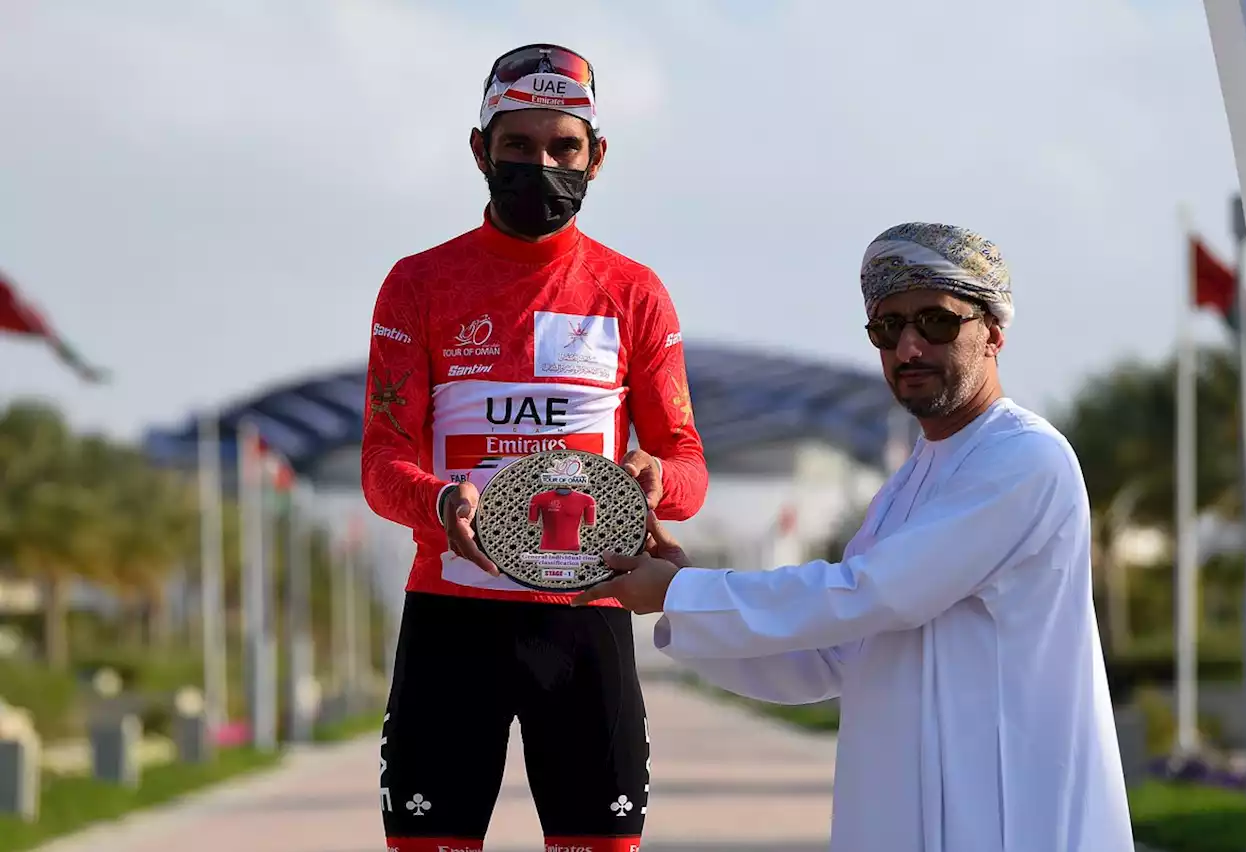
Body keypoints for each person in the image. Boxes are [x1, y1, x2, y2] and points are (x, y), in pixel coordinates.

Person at [575, 223, 1136, 851]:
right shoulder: (909, 483)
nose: (910, 347)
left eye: (937, 322)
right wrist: (677, 597)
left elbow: (874, 593)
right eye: (888, 328)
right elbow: (831, 655)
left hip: (1007, 815)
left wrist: (686, 592)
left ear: (994, 332)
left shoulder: (1025, 457)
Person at [361, 43, 708, 852]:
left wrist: (656, 479)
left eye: (564, 148)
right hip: (453, 619)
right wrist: (441, 500)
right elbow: (381, 464)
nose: (540, 165)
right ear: (480, 148)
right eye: (517, 146)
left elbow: (686, 472)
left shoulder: (633, 292)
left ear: (597, 158)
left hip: (586, 619)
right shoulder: (418, 284)